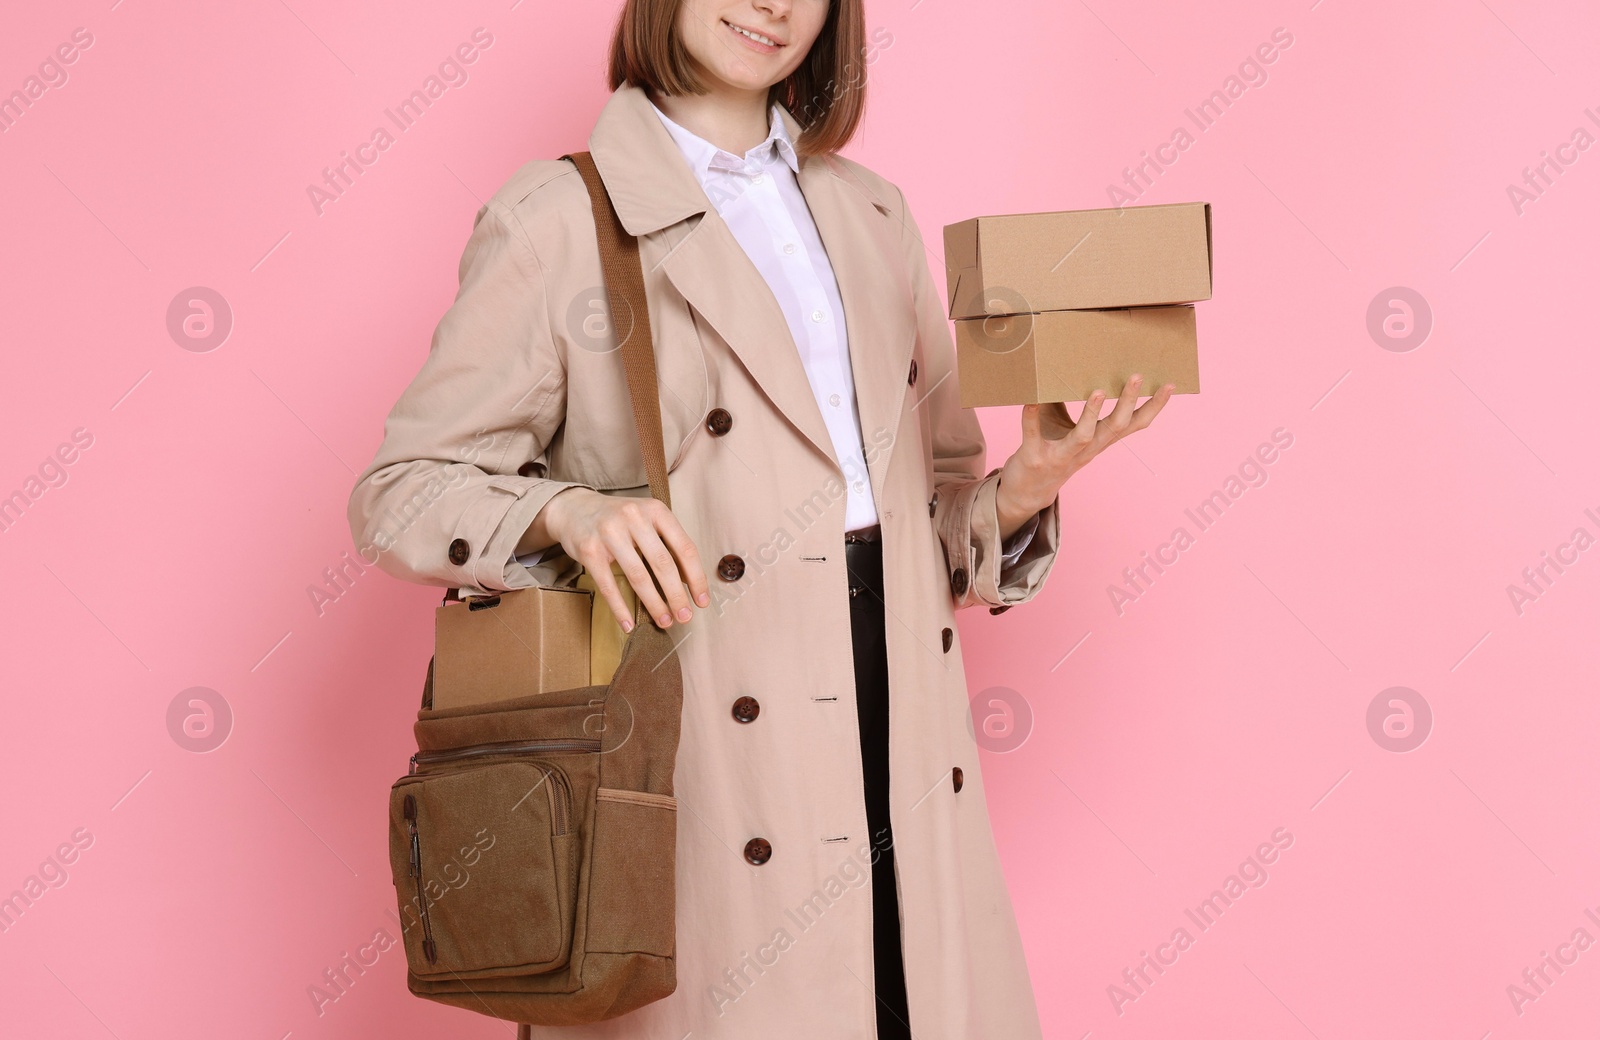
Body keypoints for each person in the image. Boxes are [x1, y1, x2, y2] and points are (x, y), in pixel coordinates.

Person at [348, 1, 1173, 1036]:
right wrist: (568, 512)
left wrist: (1031, 482)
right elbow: (399, 490)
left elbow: (924, 512)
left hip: (902, 738)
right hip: (709, 755)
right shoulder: (560, 216)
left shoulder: (873, 215)